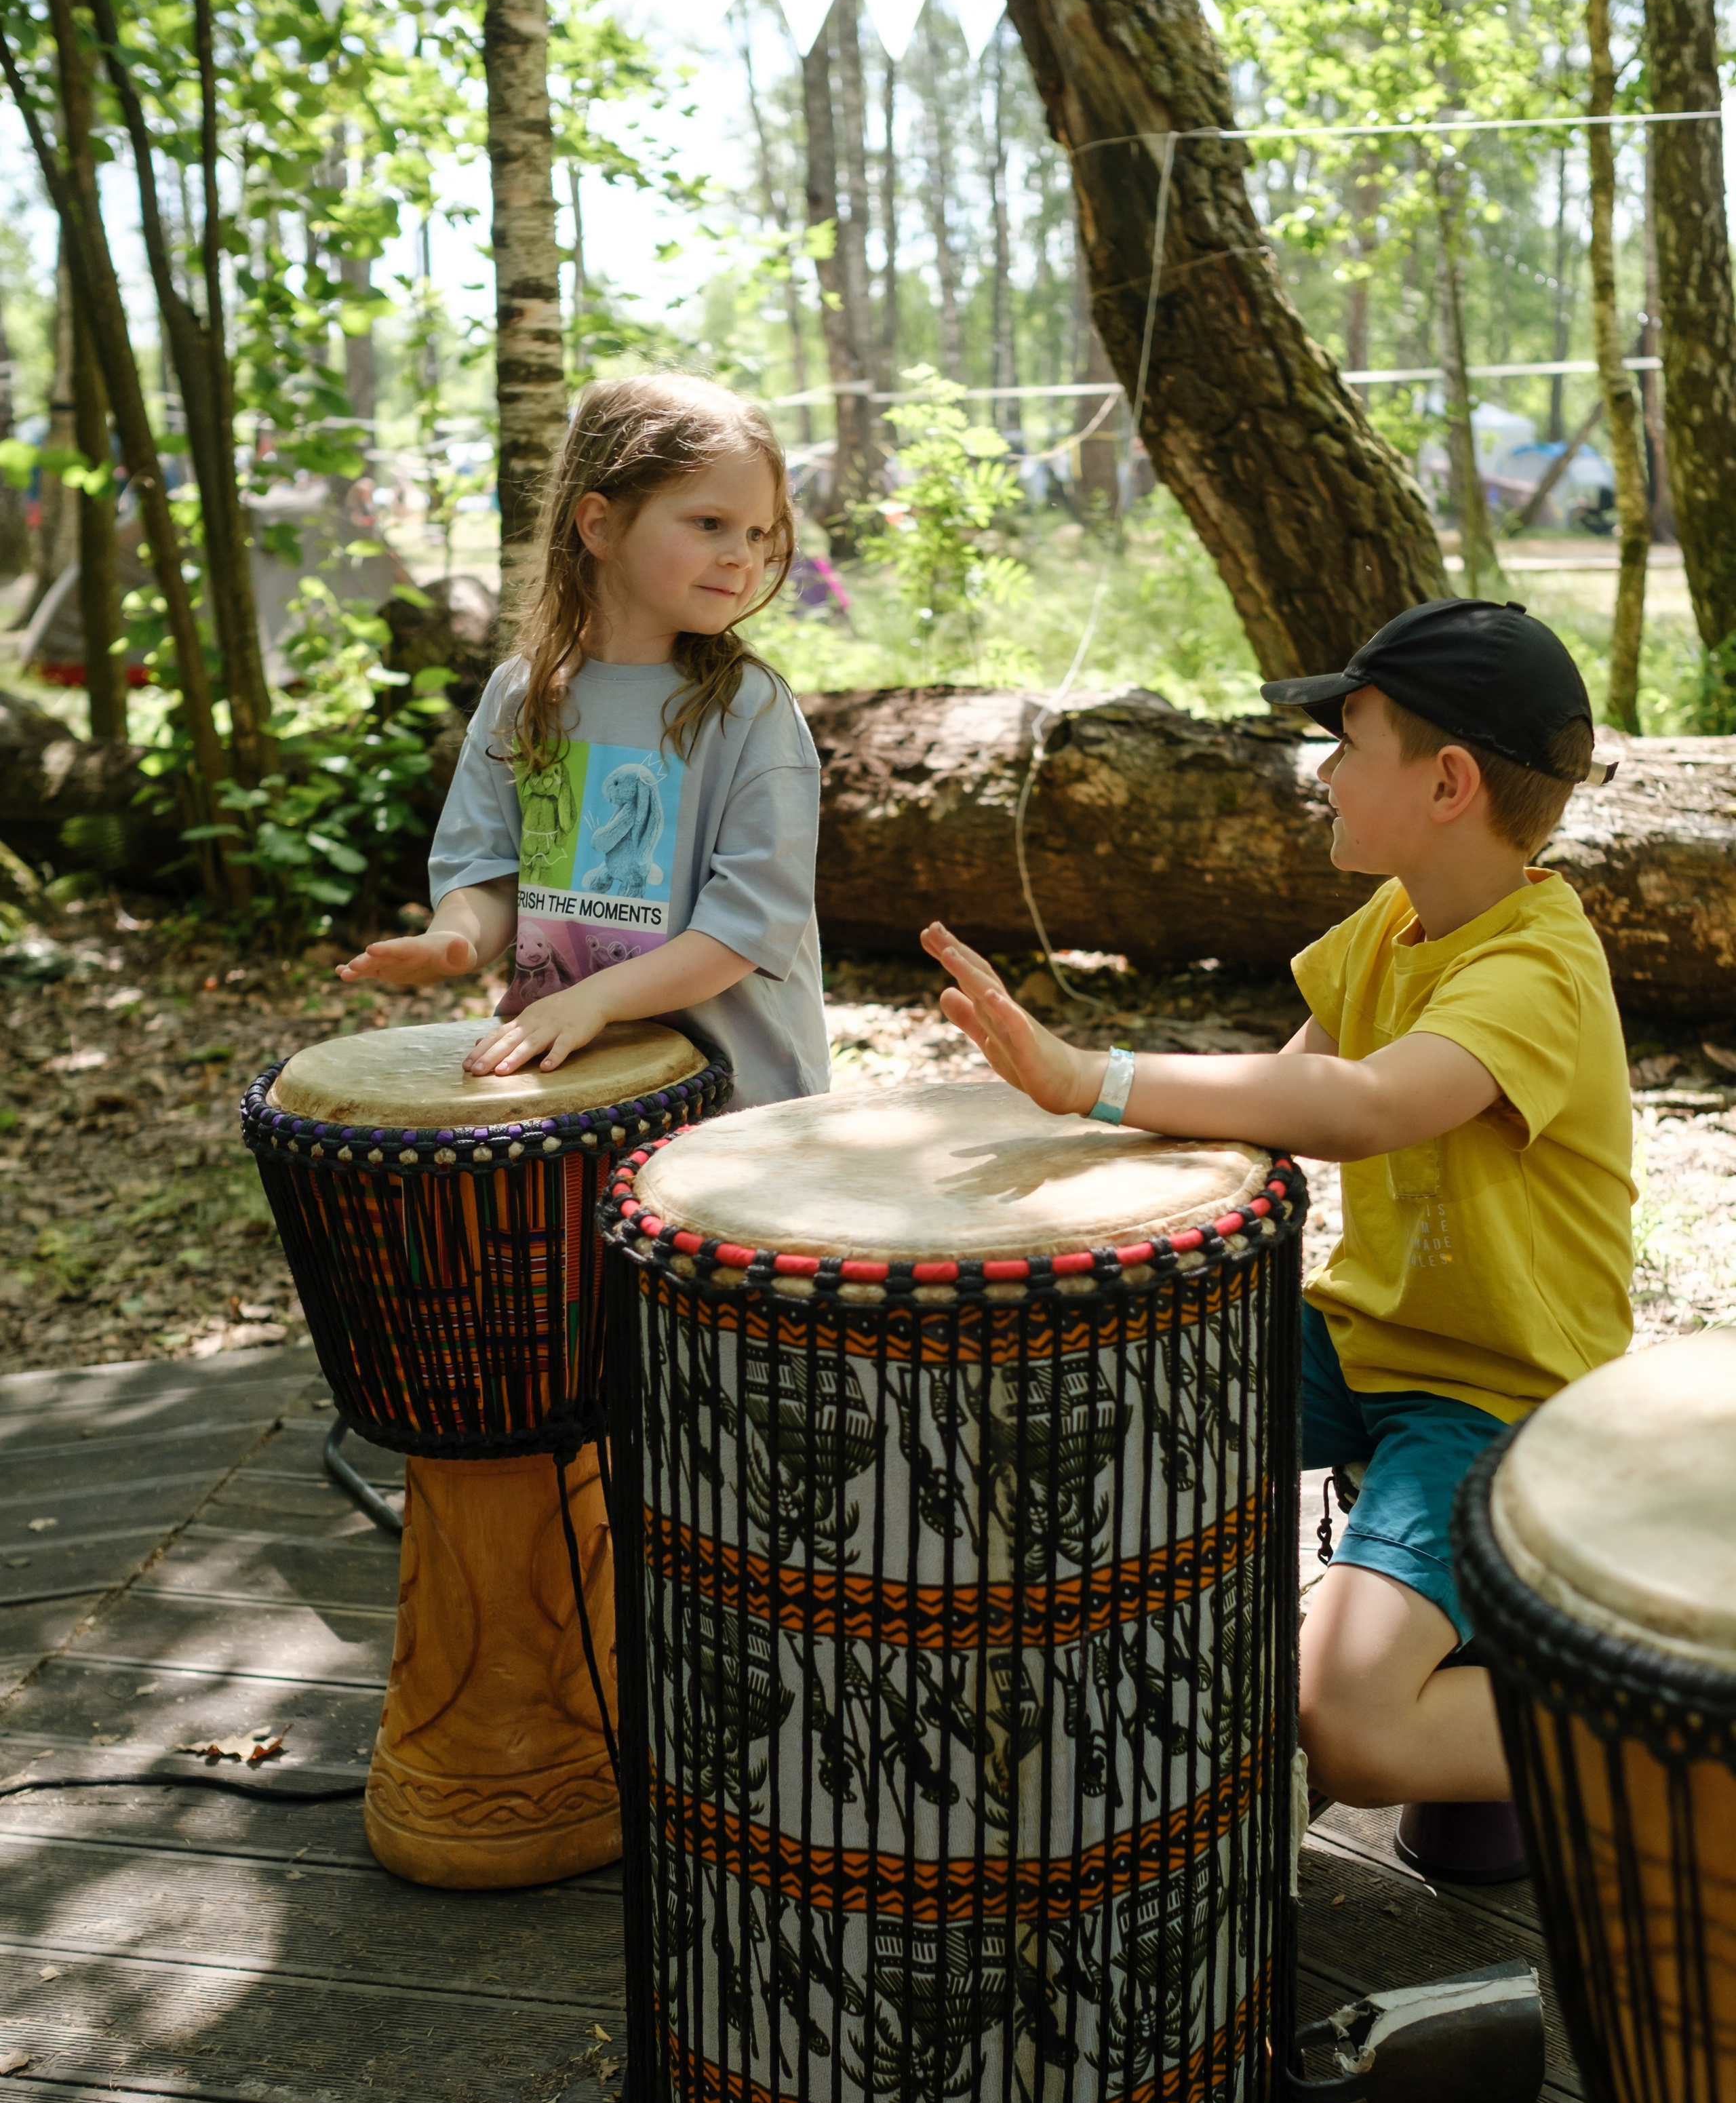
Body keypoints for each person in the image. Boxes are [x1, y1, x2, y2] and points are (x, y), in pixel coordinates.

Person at [920, 599, 1633, 1874]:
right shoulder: (1391, 925)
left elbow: (1364, 1107)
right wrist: (1053, 1147)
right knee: (1102, 1412)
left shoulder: (1539, 967)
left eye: (1351, 744)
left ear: (1449, 782)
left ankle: (1651, 1721)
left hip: (1501, 1400)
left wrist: (1093, 1075)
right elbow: (1280, 1098)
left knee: (1353, 1726)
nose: (1326, 773)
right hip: (1364, 1342)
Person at [338, 373, 830, 1112]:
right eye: (709, 524)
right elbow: (492, 870)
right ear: (598, 525)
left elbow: (747, 928)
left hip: (735, 1105)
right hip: (575, 1087)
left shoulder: (747, 708)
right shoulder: (520, 693)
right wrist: (456, 940)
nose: (743, 555)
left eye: (758, 532)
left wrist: (593, 999)